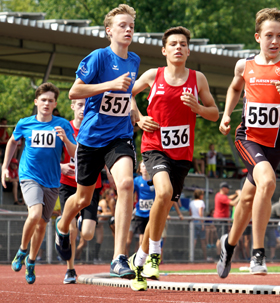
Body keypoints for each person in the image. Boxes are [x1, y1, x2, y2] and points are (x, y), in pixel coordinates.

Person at [217, 7, 280, 278]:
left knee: (248, 199)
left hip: (275, 146)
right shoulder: (244, 65)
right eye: (269, 35)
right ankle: (258, 255)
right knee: (269, 182)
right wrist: (226, 115)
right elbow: (235, 87)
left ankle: (229, 244)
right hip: (248, 138)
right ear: (257, 36)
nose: (275, 41)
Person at [128, 26, 219, 291]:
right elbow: (127, 95)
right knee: (163, 192)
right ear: (164, 50)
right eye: (173, 44)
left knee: (162, 207)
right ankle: (155, 253)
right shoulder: (152, 75)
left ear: (189, 50)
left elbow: (214, 112)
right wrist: (139, 117)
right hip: (155, 146)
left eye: (183, 44)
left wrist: (198, 108)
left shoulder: (197, 78)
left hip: (182, 153)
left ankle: (140, 258)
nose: (178, 47)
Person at [54, 4, 140, 280]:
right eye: (122, 26)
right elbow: (73, 91)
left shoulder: (134, 60)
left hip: (120, 135)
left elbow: (127, 95)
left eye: (131, 26)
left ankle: (119, 258)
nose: (128, 30)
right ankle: (62, 226)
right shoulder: (98, 58)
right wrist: (109, 85)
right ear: (109, 30)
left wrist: (137, 113)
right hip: (91, 139)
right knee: (82, 198)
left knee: (126, 184)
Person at [1, 82, 76, 284]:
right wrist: (4, 166)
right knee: (34, 214)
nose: (46, 103)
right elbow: (12, 142)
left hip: (52, 181)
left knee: (42, 224)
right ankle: (22, 251)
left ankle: (32, 261)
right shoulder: (25, 123)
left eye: (50, 100)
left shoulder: (63, 125)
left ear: (54, 104)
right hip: (29, 177)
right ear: (36, 102)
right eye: (43, 100)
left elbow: (74, 152)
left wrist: (66, 140)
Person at [58, 98, 103, 283]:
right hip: (68, 183)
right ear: (72, 106)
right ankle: (70, 270)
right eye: (79, 105)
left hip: (92, 184)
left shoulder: (97, 127)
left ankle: (73, 221)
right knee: (72, 230)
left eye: (87, 104)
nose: (83, 109)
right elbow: (47, 156)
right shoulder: (63, 127)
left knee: (88, 233)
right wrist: (60, 167)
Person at [189, 189, 209, 261]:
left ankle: (191, 258)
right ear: (200, 195)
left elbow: (190, 212)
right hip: (199, 222)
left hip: (193, 221)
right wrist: (202, 223)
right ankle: (205, 257)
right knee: (203, 240)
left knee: (193, 240)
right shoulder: (201, 202)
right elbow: (200, 212)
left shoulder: (191, 202)